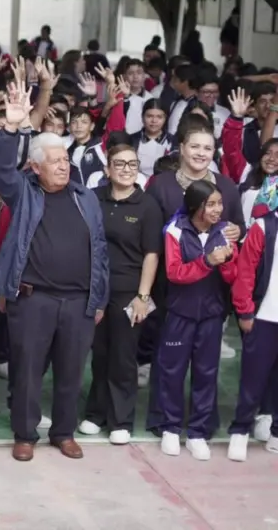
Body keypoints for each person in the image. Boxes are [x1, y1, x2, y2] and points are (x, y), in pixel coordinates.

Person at [0, 78, 109, 463]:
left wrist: (100, 296)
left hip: (78, 302)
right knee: (26, 371)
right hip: (32, 298)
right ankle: (25, 434)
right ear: (36, 167)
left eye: (65, 160)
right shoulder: (23, 191)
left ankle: (63, 432)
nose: (63, 165)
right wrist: (10, 128)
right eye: (55, 161)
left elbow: (100, 249)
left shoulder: (85, 197)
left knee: (72, 372)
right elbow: (2, 168)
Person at [79, 145, 163, 444]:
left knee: (124, 357)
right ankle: (95, 414)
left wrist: (142, 296)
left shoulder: (147, 205)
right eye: (119, 163)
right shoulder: (94, 200)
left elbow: (152, 254)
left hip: (130, 292)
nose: (126, 169)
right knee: (99, 354)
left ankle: (121, 420)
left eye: (132, 164)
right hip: (96, 289)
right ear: (107, 169)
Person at [158, 179, 239, 461]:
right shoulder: (175, 230)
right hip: (180, 313)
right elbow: (174, 273)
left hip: (212, 316)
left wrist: (227, 261)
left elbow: (232, 278)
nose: (218, 209)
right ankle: (170, 428)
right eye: (211, 204)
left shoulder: (226, 232)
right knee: (172, 372)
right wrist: (207, 261)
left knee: (206, 373)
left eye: (220, 203)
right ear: (196, 206)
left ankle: (197, 433)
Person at [229, 176, 278, 461]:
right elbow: (245, 272)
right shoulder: (264, 226)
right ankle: (240, 430)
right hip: (264, 316)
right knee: (253, 378)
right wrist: (245, 310)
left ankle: (275, 431)